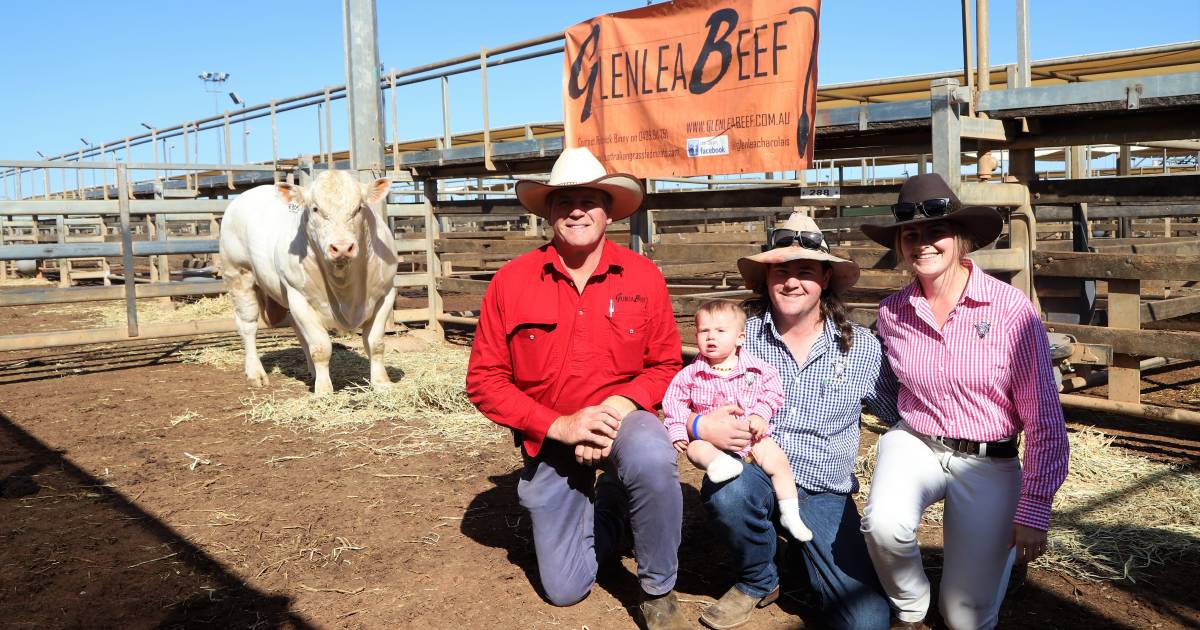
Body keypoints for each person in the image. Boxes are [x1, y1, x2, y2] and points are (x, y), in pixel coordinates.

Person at [465, 147, 688, 630]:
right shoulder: (511, 281)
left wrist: (619, 404)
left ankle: (658, 589)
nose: (577, 209)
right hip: (551, 435)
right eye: (564, 200)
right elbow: (483, 381)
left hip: (623, 420)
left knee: (651, 458)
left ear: (609, 212)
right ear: (549, 211)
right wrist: (560, 426)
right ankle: (611, 511)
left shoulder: (643, 277)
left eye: (590, 199)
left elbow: (666, 363)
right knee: (567, 589)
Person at [858, 173, 1070, 630]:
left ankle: (987, 573)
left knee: (965, 618)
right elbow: (886, 383)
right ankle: (911, 604)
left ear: (961, 239)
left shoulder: (1009, 310)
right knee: (883, 525)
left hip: (988, 457)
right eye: (910, 235)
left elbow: (1044, 418)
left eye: (936, 232)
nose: (923, 244)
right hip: (918, 440)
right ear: (899, 244)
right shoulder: (892, 311)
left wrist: (1034, 508)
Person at [697, 213, 897, 630]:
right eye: (780, 272)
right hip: (755, 474)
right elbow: (690, 398)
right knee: (729, 491)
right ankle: (758, 579)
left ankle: (802, 557)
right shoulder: (741, 338)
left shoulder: (860, 349)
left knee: (867, 620)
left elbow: (899, 416)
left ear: (825, 279)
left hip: (825, 490)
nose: (791, 283)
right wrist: (702, 428)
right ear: (766, 281)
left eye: (805, 271)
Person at [661, 299, 813, 542]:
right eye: (704, 331)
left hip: (751, 436)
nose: (711, 337)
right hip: (711, 440)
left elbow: (773, 393)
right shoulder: (689, 374)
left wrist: (760, 415)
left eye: (720, 331)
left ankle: (790, 513)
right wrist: (678, 430)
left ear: (740, 338)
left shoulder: (757, 369)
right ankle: (720, 464)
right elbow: (674, 403)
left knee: (778, 462)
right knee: (696, 449)